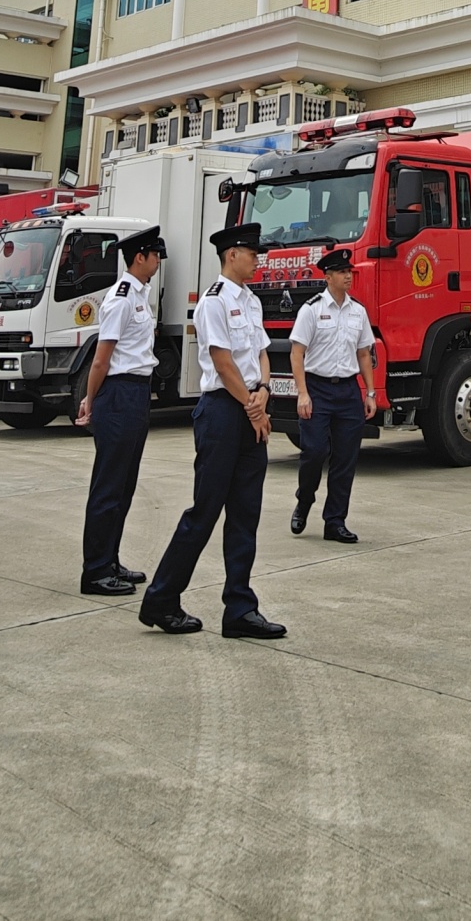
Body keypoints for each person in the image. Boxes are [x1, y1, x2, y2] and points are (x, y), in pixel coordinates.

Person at [138, 222, 282, 640]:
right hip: (222, 411)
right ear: (231, 255)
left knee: (245, 515)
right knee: (204, 512)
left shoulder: (252, 302)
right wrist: (253, 409)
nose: (258, 260)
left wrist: (266, 392)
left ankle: (240, 609)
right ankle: (161, 599)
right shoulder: (213, 302)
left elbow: (260, 355)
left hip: (251, 404)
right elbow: (222, 363)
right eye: (252, 253)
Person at [74, 228, 162, 598]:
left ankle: (110, 559)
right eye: (155, 255)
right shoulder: (121, 298)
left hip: (136, 391)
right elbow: (101, 358)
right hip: (118, 392)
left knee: (124, 485)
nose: (159, 261)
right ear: (139, 257)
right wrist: (90, 400)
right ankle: (94, 571)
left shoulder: (140, 295)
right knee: (109, 486)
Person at [288, 248, 374, 543]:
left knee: (345, 458)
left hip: (348, 390)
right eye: (341, 272)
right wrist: (302, 393)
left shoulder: (358, 311)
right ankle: (305, 498)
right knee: (313, 452)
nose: (348, 276)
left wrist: (370, 392)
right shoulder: (311, 309)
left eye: (349, 271)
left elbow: (364, 354)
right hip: (318, 388)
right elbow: (297, 353)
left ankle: (335, 521)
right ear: (328, 277)